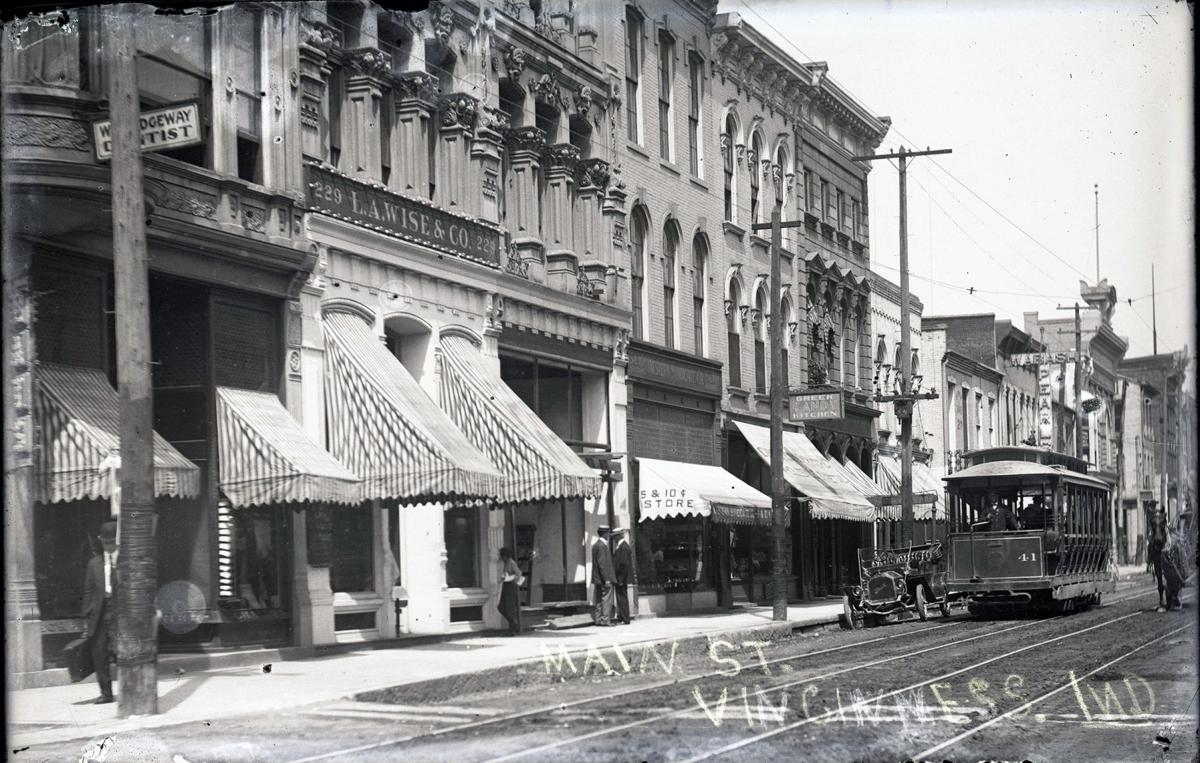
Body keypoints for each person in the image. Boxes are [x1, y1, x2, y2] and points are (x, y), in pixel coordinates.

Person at [82, 521, 118, 704]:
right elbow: (88, 591)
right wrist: (87, 618)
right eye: (106, 542)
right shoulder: (94, 563)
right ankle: (106, 693)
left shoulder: (126, 561)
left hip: (119, 612)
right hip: (99, 614)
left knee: (124, 650)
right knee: (99, 653)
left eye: (112, 542)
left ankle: (129, 689)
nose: (109, 546)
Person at [591, 525, 616, 626]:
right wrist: (607, 579)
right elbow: (602, 564)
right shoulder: (602, 546)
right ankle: (605, 619)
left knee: (598, 599)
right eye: (608, 533)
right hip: (604, 578)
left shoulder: (596, 545)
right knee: (606, 598)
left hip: (597, 578)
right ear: (606, 534)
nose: (609, 535)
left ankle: (598, 619)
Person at [496, 547, 523, 635]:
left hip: (510, 586)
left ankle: (512, 628)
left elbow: (518, 573)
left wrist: (512, 580)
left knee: (508, 608)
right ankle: (513, 624)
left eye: (502, 556)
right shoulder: (506, 563)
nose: (501, 557)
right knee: (501, 607)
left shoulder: (511, 562)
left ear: (506, 556)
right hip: (505, 585)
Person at [611, 529, 634, 625]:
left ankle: (625, 618)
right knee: (620, 597)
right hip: (620, 577)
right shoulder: (621, 546)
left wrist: (620, 578)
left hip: (621, 577)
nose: (614, 539)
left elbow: (624, 564)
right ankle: (622, 617)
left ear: (619, 536)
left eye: (615, 537)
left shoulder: (623, 547)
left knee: (622, 597)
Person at [1148, 510, 1168, 611]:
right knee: (1159, 576)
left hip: (1163, 545)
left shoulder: (1162, 519)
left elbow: (1165, 533)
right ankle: (1150, 561)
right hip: (1157, 546)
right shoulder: (1154, 520)